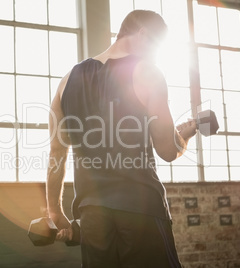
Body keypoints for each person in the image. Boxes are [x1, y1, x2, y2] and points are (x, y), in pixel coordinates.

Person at [46, 10, 197, 267]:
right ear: (143, 34)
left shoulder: (66, 81)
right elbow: (167, 151)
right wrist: (186, 136)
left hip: (92, 215)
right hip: (141, 210)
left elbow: (56, 154)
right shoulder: (148, 73)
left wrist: (55, 211)